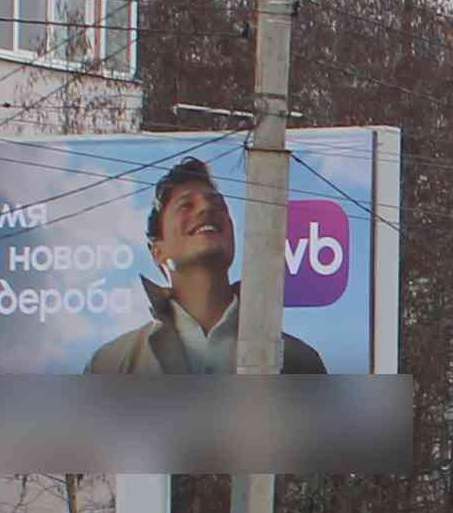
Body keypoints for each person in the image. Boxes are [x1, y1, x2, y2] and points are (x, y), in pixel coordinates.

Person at [79, 155, 312, 377]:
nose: (206, 209)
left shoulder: (298, 362)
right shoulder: (112, 366)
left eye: (217, 204)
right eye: (186, 205)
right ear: (158, 251)